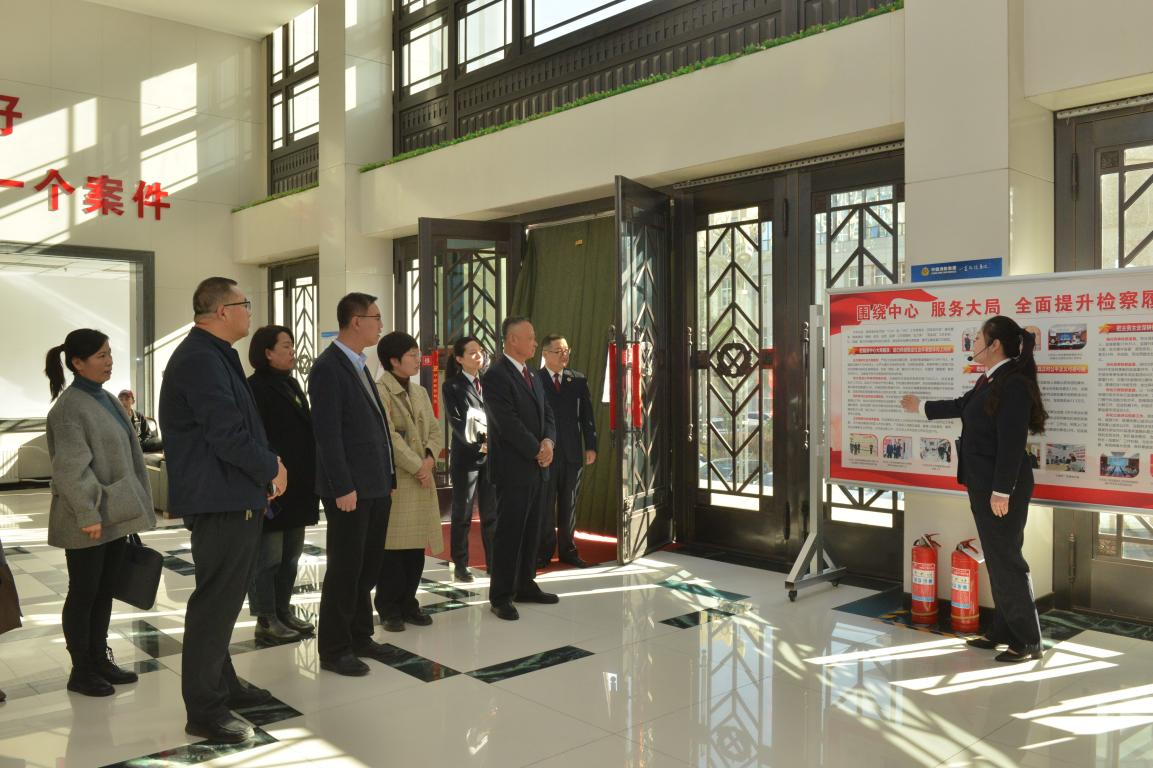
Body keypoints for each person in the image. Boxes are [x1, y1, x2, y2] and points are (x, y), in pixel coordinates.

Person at [160, 277, 287, 744]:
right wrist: (271, 467)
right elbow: (227, 435)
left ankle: (224, 684)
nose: (250, 312)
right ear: (221, 311)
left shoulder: (216, 353)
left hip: (233, 492)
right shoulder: (199, 359)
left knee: (226, 601)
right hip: (220, 498)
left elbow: (242, 426)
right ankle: (204, 709)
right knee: (214, 605)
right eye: (244, 303)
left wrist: (265, 468)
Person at [901, 315, 1048, 663]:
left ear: (994, 345)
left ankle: (1028, 639)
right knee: (997, 558)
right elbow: (961, 405)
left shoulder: (1013, 383)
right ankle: (1003, 629)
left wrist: (1002, 491)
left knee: (1007, 561)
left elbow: (1012, 442)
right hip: (985, 486)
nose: (973, 344)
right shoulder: (991, 379)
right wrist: (920, 407)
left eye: (978, 338)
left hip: (1001, 489)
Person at [44, 330, 155, 698]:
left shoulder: (104, 397)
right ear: (77, 363)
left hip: (113, 513)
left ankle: (98, 658)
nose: (109, 362)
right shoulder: (69, 408)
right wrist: (88, 512)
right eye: (101, 356)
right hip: (87, 519)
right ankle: (81, 669)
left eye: (109, 354)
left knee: (104, 589)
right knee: (84, 592)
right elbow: (70, 470)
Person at [309, 292, 396, 676]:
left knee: (367, 568)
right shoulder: (328, 368)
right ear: (356, 321)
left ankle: (360, 636)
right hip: (350, 490)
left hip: (374, 485)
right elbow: (328, 435)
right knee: (345, 569)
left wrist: (389, 477)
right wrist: (342, 486)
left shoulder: (359, 363)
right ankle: (334, 648)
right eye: (376, 318)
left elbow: (374, 428)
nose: (381, 325)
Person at [246, 325, 319, 645]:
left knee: (291, 555)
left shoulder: (290, 383)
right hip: (272, 485)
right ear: (268, 353)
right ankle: (266, 618)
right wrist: (267, 477)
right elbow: (255, 437)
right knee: (269, 558)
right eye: (286, 346)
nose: (293, 351)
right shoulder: (254, 388)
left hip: (299, 485)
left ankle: (282, 610)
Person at [482, 317, 558, 621]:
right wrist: (536, 449)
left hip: (537, 467)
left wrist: (549, 442)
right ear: (512, 340)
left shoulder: (532, 373)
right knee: (509, 533)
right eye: (530, 337)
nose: (535, 342)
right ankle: (501, 595)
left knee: (532, 530)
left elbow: (547, 412)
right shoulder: (496, 376)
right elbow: (506, 422)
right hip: (513, 468)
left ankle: (525, 584)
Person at [373, 332, 442, 632]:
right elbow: (389, 438)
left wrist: (429, 460)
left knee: (415, 549)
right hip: (399, 481)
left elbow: (436, 431)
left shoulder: (420, 392)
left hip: (421, 477)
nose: (418, 359)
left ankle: (409, 604)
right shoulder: (381, 391)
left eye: (417, 354)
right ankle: (388, 608)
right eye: (412, 355)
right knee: (393, 549)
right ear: (393, 361)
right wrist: (418, 467)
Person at [536, 334, 598, 569]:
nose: (564, 355)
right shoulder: (535, 380)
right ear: (545, 354)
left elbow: (587, 416)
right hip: (546, 453)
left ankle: (568, 551)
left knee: (569, 503)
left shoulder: (577, 380)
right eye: (558, 351)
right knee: (545, 505)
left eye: (566, 350)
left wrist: (591, 445)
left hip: (572, 453)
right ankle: (543, 552)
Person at [442, 336, 497, 582]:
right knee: (462, 513)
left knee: (491, 513)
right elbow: (457, 423)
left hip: (491, 456)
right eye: (472, 352)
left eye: (480, 351)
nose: (478, 356)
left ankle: (494, 563)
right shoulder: (452, 386)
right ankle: (461, 564)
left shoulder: (489, 383)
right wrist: (480, 444)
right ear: (459, 358)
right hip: (467, 458)